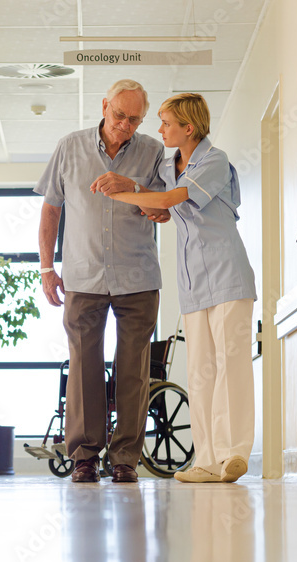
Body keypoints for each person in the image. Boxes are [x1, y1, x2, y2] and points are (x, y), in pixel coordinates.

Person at [108, 92, 257, 483]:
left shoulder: (214, 159)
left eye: (166, 123)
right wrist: (144, 200)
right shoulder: (170, 164)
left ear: (188, 128)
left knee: (231, 366)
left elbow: (173, 198)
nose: (160, 130)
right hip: (193, 281)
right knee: (202, 372)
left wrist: (121, 192)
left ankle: (233, 454)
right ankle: (206, 459)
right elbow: (162, 206)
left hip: (228, 274)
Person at [35, 79, 166, 484]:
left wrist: (134, 188)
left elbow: (163, 211)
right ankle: (85, 457)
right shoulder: (69, 147)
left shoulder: (153, 151)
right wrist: (46, 268)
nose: (125, 125)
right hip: (82, 276)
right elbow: (51, 211)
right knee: (84, 368)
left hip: (137, 276)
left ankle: (125, 458)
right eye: (119, 115)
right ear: (104, 105)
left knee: (133, 370)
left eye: (134, 120)